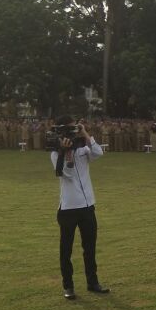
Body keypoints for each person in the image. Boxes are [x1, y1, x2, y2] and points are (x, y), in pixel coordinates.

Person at [51, 117, 109, 300]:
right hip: (68, 208)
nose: (72, 133)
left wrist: (85, 133)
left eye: (74, 129)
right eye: (69, 130)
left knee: (90, 248)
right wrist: (65, 152)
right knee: (66, 250)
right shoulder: (55, 153)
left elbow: (98, 152)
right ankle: (68, 286)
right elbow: (65, 174)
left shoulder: (84, 149)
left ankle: (93, 282)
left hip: (87, 206)